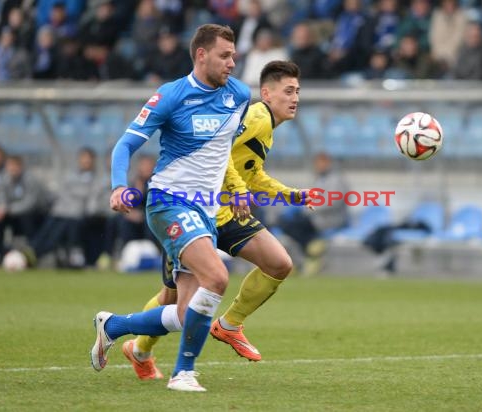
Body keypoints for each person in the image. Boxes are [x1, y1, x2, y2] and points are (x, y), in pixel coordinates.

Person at [121, 60, 313, 382]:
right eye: (288, 91)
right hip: (199, 211)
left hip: (226, 214)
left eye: (298, 91)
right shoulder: (256, 117)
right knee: (173, 300)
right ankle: (136, 348)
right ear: (266, 93)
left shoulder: (266, 126)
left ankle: (229, 325)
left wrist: (288, 195)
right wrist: (238, 191)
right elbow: (216, 152)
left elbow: (253, 172)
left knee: (279, 263)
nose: (295, 98)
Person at [90, 24, 252, 393]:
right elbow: (124, 146)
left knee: (184, 313)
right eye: (225, 55)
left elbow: (221, 153)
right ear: (201, 54)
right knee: (218, 278)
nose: (232, 62)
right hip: (168, 202)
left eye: (234, 55)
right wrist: (119, 186)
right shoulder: (170, 95)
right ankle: (184, 373)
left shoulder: (239, 95)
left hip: (206, 210)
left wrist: (235, 189)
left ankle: (112, 326)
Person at [277, 152, 349, 277]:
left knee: (289, 224)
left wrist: (309, 207)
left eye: (321, 163)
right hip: (315, 217)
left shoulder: (337, 180)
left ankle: (311, 247)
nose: (319, 166)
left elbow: (333, 202)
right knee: (284, 222)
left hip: (329, 220)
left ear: (328, 163)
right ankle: (311, 246)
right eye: (317, 163)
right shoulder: (320, 178)